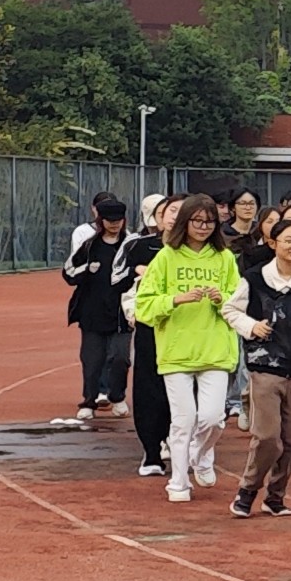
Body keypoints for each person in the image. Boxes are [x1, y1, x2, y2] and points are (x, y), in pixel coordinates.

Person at [132, 194, 242, 503]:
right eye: (197, 221)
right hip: (176, 351)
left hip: (215, 349)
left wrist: (221, 299)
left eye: (210, 222)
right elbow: (144, 306)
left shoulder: (225, 259)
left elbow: (240, 301)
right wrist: (175, 299)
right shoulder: (166, 257)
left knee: (212, 417)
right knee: (183, 420)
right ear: (185, 222)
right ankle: (178, 482)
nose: (204, 227)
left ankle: (202, 453)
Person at [228, 213, 291, 517]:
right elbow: (230, 310)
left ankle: (276, 495)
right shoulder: (254, 278)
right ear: (273, 243)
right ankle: (248, 489)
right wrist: (251, 326)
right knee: (268, 436)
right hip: (265, 366)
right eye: (288, 240)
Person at [61, 194, 134, 423]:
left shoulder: (130, 245)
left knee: (121, 358)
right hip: (92, 312)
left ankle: (117, 396)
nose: (114, 224)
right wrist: (86, 270)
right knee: (92, 361)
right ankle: (89, 401)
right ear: (100, 220)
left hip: (121, 313)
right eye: (109, 220)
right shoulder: (89, 245)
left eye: (118, 220)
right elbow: (68, 272)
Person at [120, 197, 176, 480]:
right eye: (168, 211)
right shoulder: (138, 246)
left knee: (183, 390)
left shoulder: (206, 253)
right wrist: (136, 271)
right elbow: (115, 279)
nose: (174, 217)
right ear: (157, 217)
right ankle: (151, 449)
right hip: (150, 327)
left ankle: (177, 441)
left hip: (188, 330)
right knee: (149, 388)